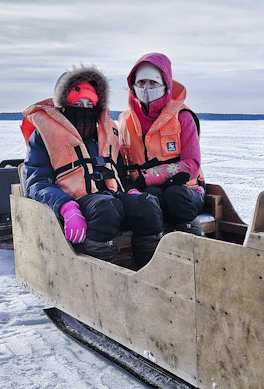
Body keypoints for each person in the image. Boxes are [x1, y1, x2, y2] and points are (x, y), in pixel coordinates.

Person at [21, 65, 163, 268]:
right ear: (64, 105)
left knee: (148, 205)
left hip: (111, 197)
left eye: (90, 104)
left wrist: (130, 191)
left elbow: (119, 173)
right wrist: (66, 207)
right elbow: (38, 182)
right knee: (105, 208)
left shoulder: (107, 134)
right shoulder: (43, 136)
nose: (85, 110)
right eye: (78, 103)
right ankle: (102, 277)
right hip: (76, 202)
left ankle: (148, 272)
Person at [118, 53, 206, 236]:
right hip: (148, 190)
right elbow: (120, 164)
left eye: (153, 83)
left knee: (175, 195)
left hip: (187, 190)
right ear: (133, 85)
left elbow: (192, 165)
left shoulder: (183, 117)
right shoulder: (125, 121)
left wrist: (150, 175)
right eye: (141, 83)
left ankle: (196, 251)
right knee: (149, 201)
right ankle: (150, 257)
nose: (146, 88)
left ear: (165, 84)